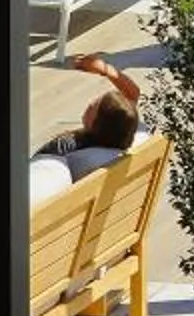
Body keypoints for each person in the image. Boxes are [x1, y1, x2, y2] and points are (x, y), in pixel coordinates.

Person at [31, 53, 143, 204]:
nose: (90, 103)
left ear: (97, 124)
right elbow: (132, 95)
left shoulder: (66, 146)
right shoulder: (117, 139)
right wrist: (105, 69)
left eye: (94, 106)